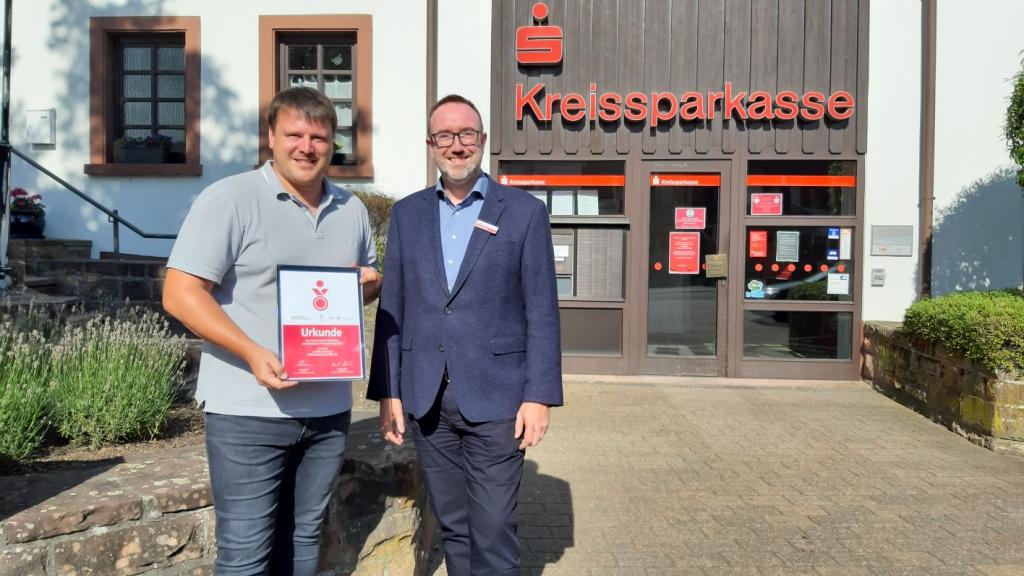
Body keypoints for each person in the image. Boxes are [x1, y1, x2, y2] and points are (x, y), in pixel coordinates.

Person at [162, 86, 381, 575]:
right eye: (294, 135)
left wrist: (369, 286)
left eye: (318, 137)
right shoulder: (230, 199)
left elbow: (356, 290)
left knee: (304, 543)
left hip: (327, 411)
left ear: (332, 143)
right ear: (271, 137)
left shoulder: (352, 210)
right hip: (247, 411)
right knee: (245, 555)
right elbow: (180, 293)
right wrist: (251, 351)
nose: (307, 147)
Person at [368, 94, 563, 575]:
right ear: (430, 144)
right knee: (454, 526)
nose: (457, 145)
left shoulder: (523, 212)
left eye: (467, 134)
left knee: (493, 529)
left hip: (498, 397)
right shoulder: (407, 214)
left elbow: (542, 311)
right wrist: (388, 393)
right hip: (427, 399)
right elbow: (393, 308)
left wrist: (539, 396)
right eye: (445, 136)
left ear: (483, 139)